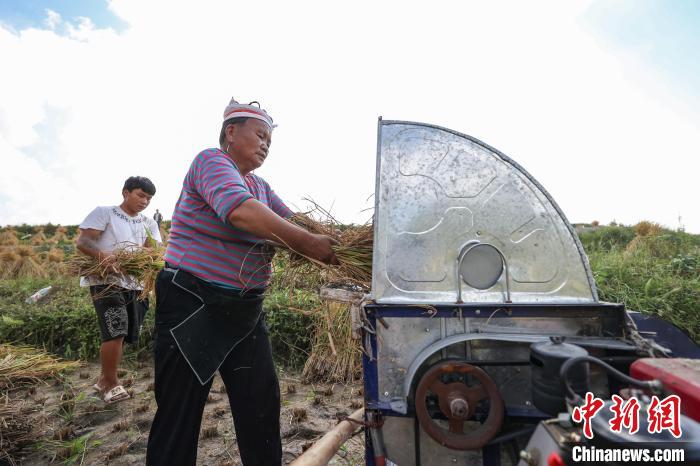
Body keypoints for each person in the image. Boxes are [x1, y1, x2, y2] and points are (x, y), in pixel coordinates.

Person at [146, 98, 338, 466]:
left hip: (244, 310)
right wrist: (310, 244)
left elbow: (295, 222)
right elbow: (241, 212)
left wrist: (343, 242)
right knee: (179, 416)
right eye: (260, 135)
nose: (266, 144)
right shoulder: (211, 161)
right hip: (193, 305)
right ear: (231, 132)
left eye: (270, 140)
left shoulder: (259, 185)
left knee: (260, 407)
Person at [76, 176, 162, 404]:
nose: (145, 201)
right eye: (140, 195)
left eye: (149, 198)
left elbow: (154, 251)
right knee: (116, 329)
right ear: (126, 192)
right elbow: (84, 241)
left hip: (135, 285)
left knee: (124, 334)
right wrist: (104, 257)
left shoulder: (148, 223)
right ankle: (111, 384)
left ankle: (104, 378)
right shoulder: (105, 213)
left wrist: (147, 258)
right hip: (105, 280)